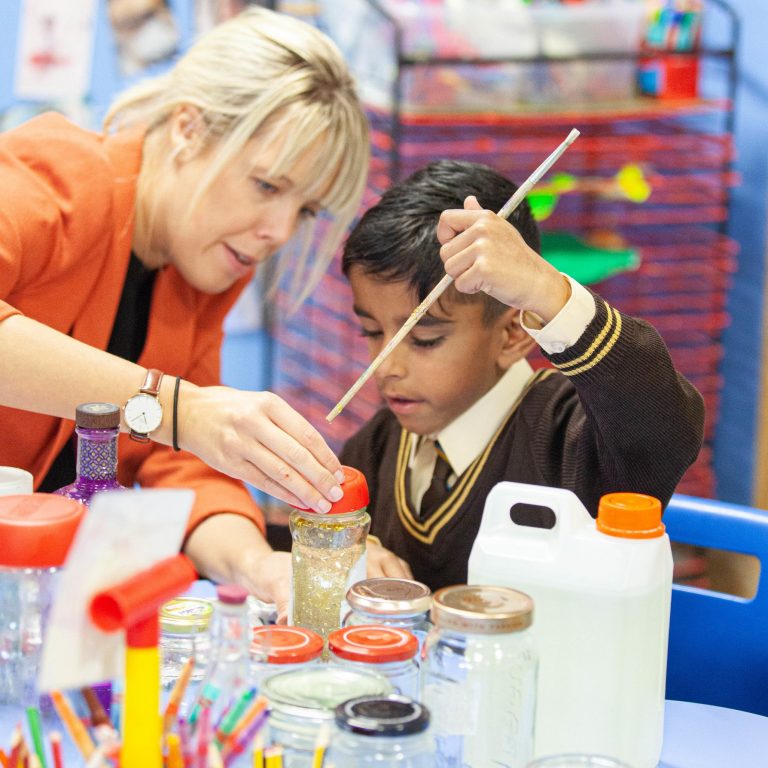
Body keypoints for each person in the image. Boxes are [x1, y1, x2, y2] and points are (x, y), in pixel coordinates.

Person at [0, 7, 370, 617]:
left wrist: (258, 565)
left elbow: (181, 467)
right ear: (188, 129)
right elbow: (179, 420)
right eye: (267, 186)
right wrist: (177, 409)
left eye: (305, 211)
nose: (278, 231)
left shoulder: (198, 273)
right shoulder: (58, 177)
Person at [339, 159, 705, 590]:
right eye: (370, 331)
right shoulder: (378, 445)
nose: (385, 365)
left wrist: (546, 291)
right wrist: (347, 553)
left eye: (424, 339)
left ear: (513, 332)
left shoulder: (569, 435)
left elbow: (666, 425)